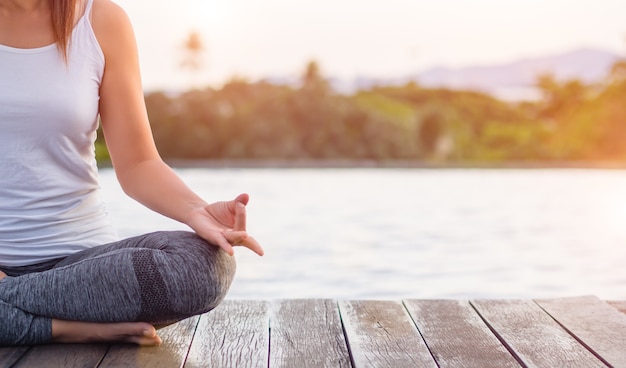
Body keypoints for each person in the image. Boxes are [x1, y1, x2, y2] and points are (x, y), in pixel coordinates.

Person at [0, 0, 263, 346]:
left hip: (85, 271)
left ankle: (12, 310)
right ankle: (67, 328)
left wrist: (196, 210)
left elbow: (139, 163)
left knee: (208, 265)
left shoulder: (102, 20)